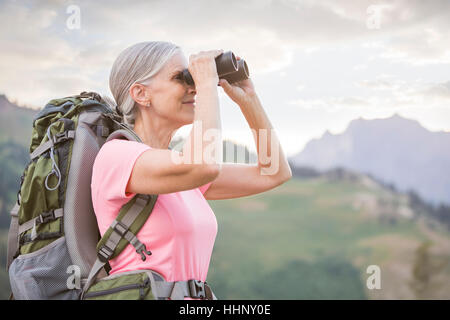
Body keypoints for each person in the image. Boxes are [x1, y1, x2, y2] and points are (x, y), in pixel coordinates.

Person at [91, 41, 292, 299]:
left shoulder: (181, 168)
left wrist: (249, 100)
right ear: (141, 94)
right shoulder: (117, 156)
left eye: (193, 77)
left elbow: (274, 172)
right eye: (181, 77)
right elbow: (204, 165)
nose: (194, 87)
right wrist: (207, 84)